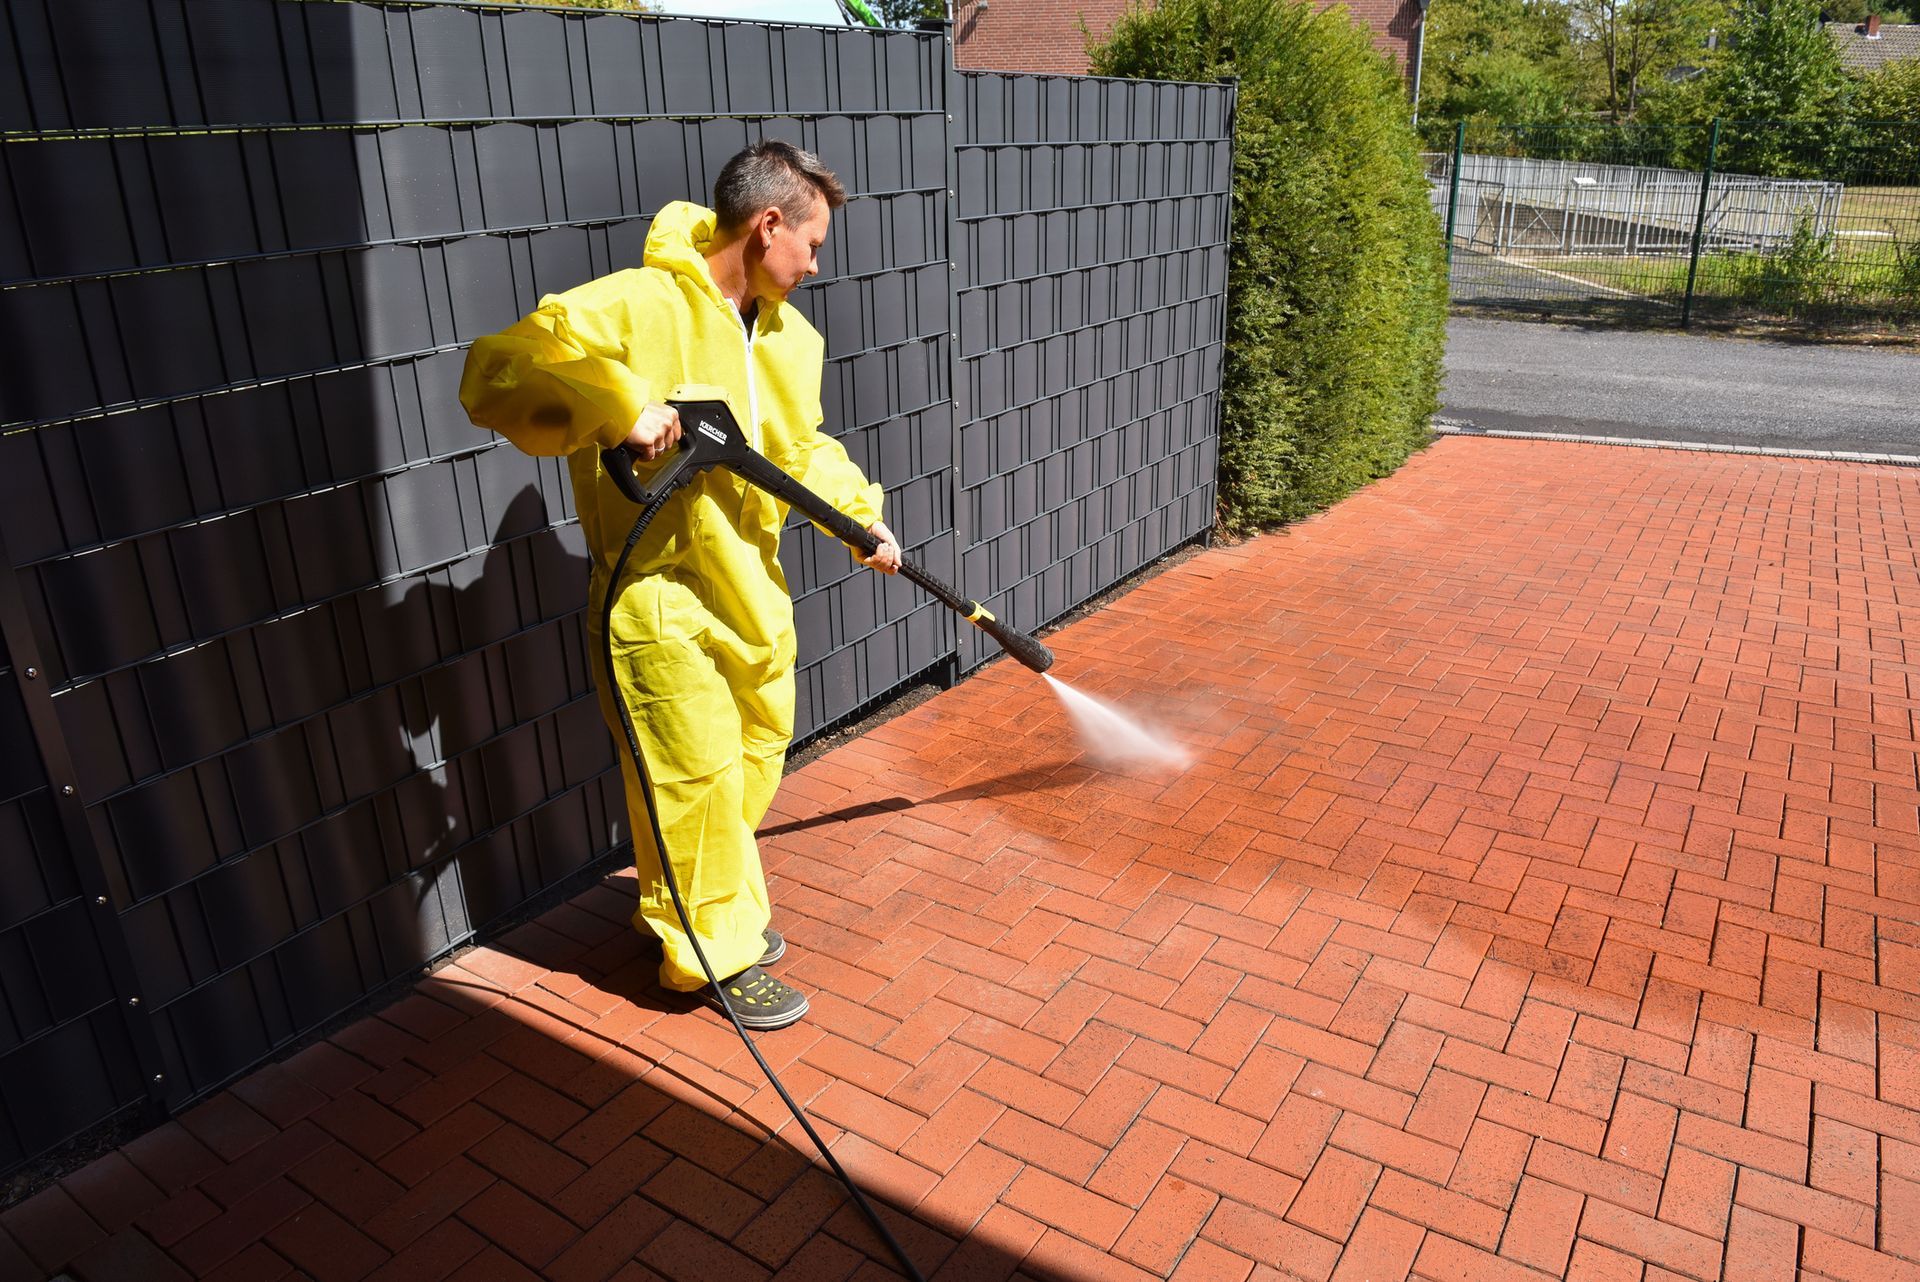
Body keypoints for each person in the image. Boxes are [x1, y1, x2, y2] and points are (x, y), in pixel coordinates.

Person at [458, 142, 900, 1030]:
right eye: (811, 244)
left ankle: (711, 907)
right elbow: (499, 369)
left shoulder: (787, 336)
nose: (816, 265)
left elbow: (801, 447)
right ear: (767, 224)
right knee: (690, 779)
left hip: (753, 593)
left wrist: (859, 514)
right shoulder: (635, 305)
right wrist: (619, 404)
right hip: (657, 602)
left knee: (751, 759)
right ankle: (712, 957)